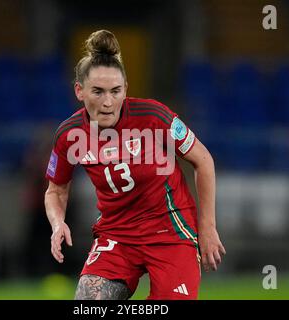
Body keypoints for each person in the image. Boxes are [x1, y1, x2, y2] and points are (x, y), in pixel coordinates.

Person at [44, 30, 226, 300]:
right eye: (98, 91)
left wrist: (207, 226)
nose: (107, 102)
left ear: (126, 89)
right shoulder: (69, 135)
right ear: (79, 91)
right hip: (116, 234)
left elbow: (203, 160)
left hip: (170, 231)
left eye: (115, 91)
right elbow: (55, 190)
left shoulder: (153, 117)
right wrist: (58, 223)